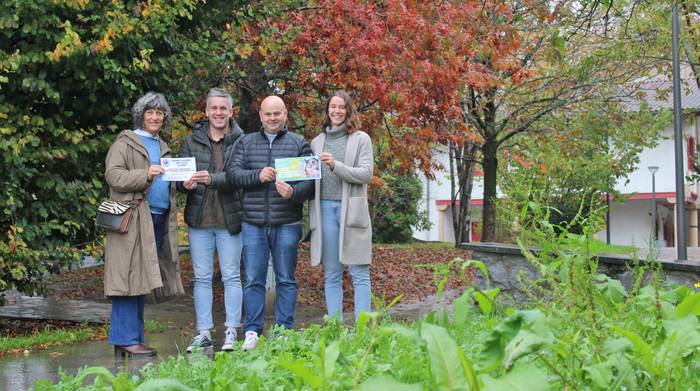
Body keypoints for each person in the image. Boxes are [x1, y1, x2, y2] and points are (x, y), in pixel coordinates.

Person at [226, 95, 314, 351]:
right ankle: (252, 331)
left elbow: (310, 182)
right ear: (261, 116)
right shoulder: (246, 142)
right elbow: (233, 174)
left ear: (285, 114)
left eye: (277, 113)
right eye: (268, 114)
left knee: (286, 279)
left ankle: (284, 330)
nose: (272, 118)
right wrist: (257, 175)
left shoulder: (299, 143)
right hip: (253, 222)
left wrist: (294, 193)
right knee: (253, 278)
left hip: (287, 222)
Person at [104, 92, 183, 357]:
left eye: (160, 113)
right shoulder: (126, 142)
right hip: (132, 218)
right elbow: (113, 176)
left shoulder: (162, 145)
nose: (155, 117)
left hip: (156, 217)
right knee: (126, 276)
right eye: (150, 112)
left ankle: (130, 338)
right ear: (141, 114)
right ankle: (126, 338)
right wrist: (145, 174)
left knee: (140, 278)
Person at [177, 88, 245, 353]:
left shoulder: (241, 140)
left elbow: (241, 176)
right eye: (213, 108)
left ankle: (231, 330)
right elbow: (180, 179)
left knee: (231, 276)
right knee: (201, 278)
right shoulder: (191, 140)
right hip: (199, 220)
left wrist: (213, 179)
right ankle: (203, 332)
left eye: (223, 108)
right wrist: (184, 184)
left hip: (230, 219)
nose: (218, 113)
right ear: (206, 111)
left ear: (230, 111)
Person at [309, 90, 374, 321]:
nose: (336, 111)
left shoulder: (360, 139)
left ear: (348, 110)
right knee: (332, 273)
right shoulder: (317, 142)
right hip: (324, 209)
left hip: (352, 211)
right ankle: (335, 326)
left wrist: (337, 165)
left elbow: (366, 174)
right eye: (332, 107)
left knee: (359, 271)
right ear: (327, 110)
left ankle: (363, 329)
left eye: (341, 107)